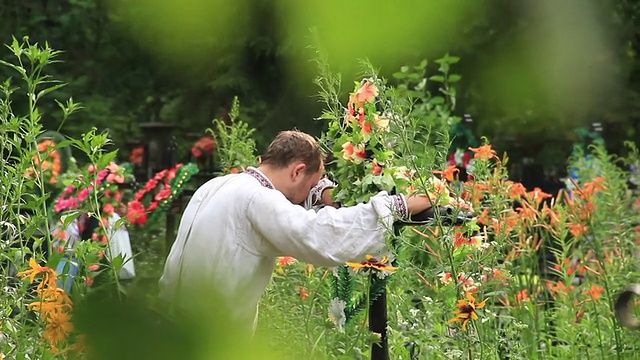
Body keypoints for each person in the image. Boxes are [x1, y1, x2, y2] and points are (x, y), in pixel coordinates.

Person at [158, 130, 432, 331]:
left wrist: (319, 191)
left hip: (172, 324)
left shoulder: (219, 185)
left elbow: (292, 208)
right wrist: (397, 206)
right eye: (312, 181)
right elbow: (317, 235)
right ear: (297, 171)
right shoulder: (258, 199)